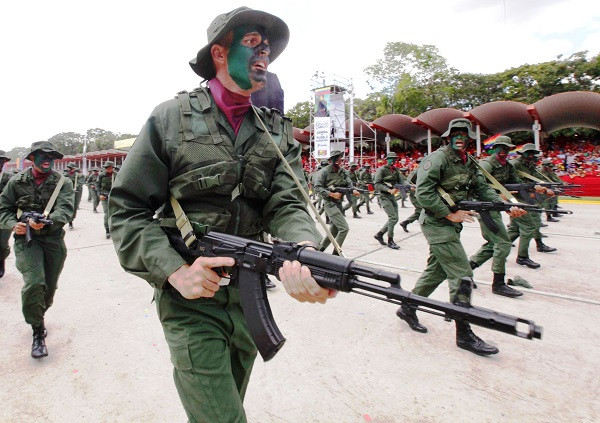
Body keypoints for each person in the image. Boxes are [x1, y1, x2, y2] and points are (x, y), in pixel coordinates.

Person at [107, 7, 335, 422]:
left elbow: (286, 203)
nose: (263, 54)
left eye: (267, 49)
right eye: (252, 44)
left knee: (229, 402)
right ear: (218, 52)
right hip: (190, 297)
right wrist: (174, 271)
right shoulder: (170, 118)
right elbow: (126, 209)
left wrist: (304, 250)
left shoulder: (276, 129)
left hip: (247, 298)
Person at [395, 118, 526, 356]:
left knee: (436, 271)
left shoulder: (469, 162)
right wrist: (449, 214)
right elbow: (423, 193)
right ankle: (464, 334)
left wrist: (506, 206)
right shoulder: (438, 158)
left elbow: (482, 188)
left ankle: (407, 307)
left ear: (469, 139)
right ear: (447, 137)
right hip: (437, 223)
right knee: (462, 274)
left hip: (451, 226)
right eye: (454, 133)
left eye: (463, 134)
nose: (459, 137)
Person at [0, 141, 74, 358]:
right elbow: (3, 209)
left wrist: (47, 221)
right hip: (27, 241)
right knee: (34, 283)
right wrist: (14, 224)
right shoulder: (16, 182)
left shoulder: (63, 182)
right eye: (42, 156)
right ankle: (37, 331)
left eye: (51, 156)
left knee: (48, 289)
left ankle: (38, 315)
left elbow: (66, 209)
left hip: (53, 241)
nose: (47, 160)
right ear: (32, 159)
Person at [467, 136, 523, 298]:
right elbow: (480, 187)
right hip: (484, 206)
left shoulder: (508, 166)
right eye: (501, 148)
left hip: (496, 206)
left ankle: (466, 271)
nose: (504, 152)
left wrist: (528, 194)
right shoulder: (486, 165)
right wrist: (503, 201)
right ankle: (498, 284)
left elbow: (516, 185)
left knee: (493, 244)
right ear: (495, 148)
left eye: (507, 149)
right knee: (503, 242)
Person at [507, 144, 556, 269]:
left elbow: (537, 178)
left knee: (515, 230)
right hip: (518, 198)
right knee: (529, 227)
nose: (530, 156)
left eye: (532, 153)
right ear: (522, 153)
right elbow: (511, 181)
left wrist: (543, 188)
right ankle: (522, 257)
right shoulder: (515, 164)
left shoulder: (530, 165)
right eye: (528, 153)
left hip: (526, 197)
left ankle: (493, 250)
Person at [314, 150, 358, 253]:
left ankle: (320, 250)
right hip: (329, 204)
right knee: (344, 228)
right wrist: (331, 194)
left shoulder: (343, 172)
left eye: (339, 158)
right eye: (335, 158)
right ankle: (336, 254)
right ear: (331, 160)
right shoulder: (324, 171)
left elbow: (349, 184)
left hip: (338, 204)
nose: (338, 160)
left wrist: (353, 190)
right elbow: (317, 187)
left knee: (334, 230)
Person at [373, 152, 403, 249]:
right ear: (387, 159)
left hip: (392, 197)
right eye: (391, 159)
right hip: (384, 196)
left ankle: (379, 234)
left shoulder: (395, 170)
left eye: (394, 159)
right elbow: (377, 184)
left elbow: (401, 180)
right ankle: (390, 240)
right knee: (393, 218)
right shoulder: (381, 170)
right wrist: (389, 189)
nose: (393, 161)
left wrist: (408, 186)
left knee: (395, 218)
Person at [399, 157, 423, 233]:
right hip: (414, 195)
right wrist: (412, 188)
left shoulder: (424, 172)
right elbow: (407, 183)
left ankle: (405, 223)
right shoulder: (415, 172)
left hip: (421, 194)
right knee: (420, 210)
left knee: (420, 210)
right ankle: (406, 222)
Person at [0, 151, 13, 278]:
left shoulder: (9, 178)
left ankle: (1, 259)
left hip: (5, 215)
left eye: (1, 161)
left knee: (2, 244)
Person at [96, 161, 115, 239]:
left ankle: (114, 229)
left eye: (108, 167)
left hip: (114, 197)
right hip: (104, 197)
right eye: (106, 167)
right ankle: (107, 230)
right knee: (107, 214)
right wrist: (100, 195)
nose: (106, 169)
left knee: (114, 213)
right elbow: (98, 185)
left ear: (112, 167)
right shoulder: (101, 175)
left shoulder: (117, 175)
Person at [64, 162, 85, 229]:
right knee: (68, 206)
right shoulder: (65, 175)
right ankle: (69, 221)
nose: (69, 169)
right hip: (68, 193)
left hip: (76, 193)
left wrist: (76, 187)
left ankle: (71, 220)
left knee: (75, 207)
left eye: (70, 168)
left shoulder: (79, 175)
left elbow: (81, 182)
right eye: (68, 167)